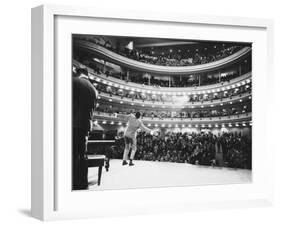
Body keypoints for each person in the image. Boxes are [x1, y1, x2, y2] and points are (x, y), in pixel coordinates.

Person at [72, 66, 98, 190]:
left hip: (73, 123)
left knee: (72, 155)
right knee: (81, 155)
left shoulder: (74, 81)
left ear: (78, 73)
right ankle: (82, 182)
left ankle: (72, 182)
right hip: (85, 126)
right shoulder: (94, 89)